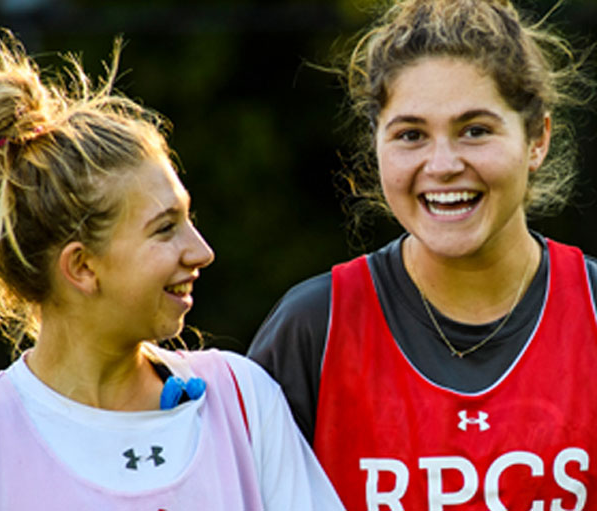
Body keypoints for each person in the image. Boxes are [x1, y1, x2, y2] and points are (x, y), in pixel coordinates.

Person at [247, 0, 597, 509]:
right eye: (411, 135)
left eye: (475, 130)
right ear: (376, 145)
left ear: (537, 139)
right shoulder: (314, 330)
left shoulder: (592, 310)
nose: (443, 164)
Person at [0, 29, 345, 510]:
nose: (201, 251)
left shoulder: (242, 399)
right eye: (164, 229)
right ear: (82, 266)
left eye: (188, 218)